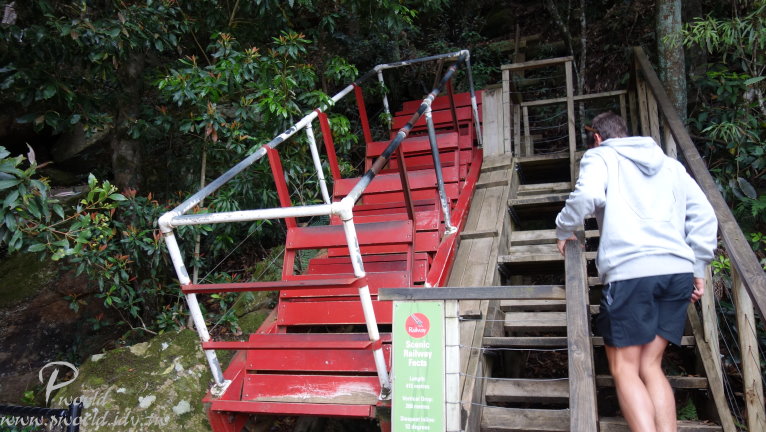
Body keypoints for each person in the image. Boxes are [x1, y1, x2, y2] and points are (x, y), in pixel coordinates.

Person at [555, 112, 717, 432]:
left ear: (597, 138)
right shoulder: (671, 165)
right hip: (677, 273)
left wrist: (564, 228)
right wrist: (698, 265)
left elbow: (587, 195)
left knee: (624, 368)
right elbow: (704, 215)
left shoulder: (600, 156)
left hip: (630, 273)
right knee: (650, 365)